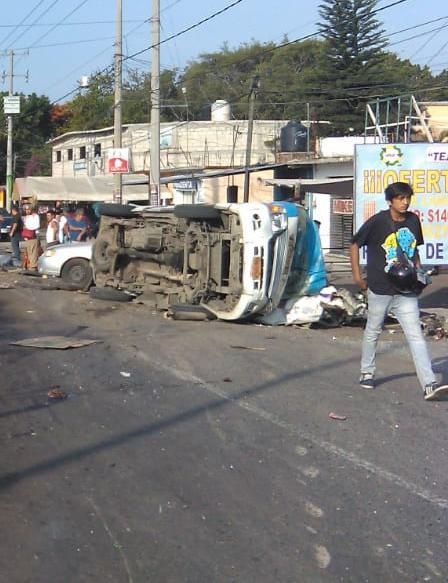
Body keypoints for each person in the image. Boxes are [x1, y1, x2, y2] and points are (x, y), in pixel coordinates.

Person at [350, 181, 448, 401]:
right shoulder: (377, 222)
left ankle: (429, 384)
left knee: (416, 336)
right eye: (400, 198)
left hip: (406, 291)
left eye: (407, 198)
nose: (405, 202)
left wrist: (419, 272)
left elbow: (414, 251)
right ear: (390, 201)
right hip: (380, 288)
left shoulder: (413, 221)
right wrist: (357, 277)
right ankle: (367, 371)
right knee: (373, 331)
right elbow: (354, 243)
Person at [21, 204, 41, 271]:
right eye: (26, 210)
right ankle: (29, 265)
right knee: (29, 252)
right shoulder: (27, 217)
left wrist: (28, 228)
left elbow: (37, 226)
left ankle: (33, 266)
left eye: (28, 209)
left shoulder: (35, 216)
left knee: (34, 252)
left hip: (33, 236)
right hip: (27, 237)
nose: (27, 211)